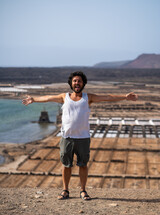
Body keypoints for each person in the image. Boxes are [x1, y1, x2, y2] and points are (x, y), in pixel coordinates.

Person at [22, 71, 138, 200]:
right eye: (75, 81)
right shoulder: (63, 96)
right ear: (71, 83)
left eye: (79, 81)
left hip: (83, 138)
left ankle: (83, 191)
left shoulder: (89, 97)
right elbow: (48, 97)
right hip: (67, 137)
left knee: (83, 165)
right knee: (66, 165)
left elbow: (108, 96)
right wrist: (34, 99)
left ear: (83, 84)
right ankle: (65, 190)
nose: (77, 83)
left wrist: (125, 97)